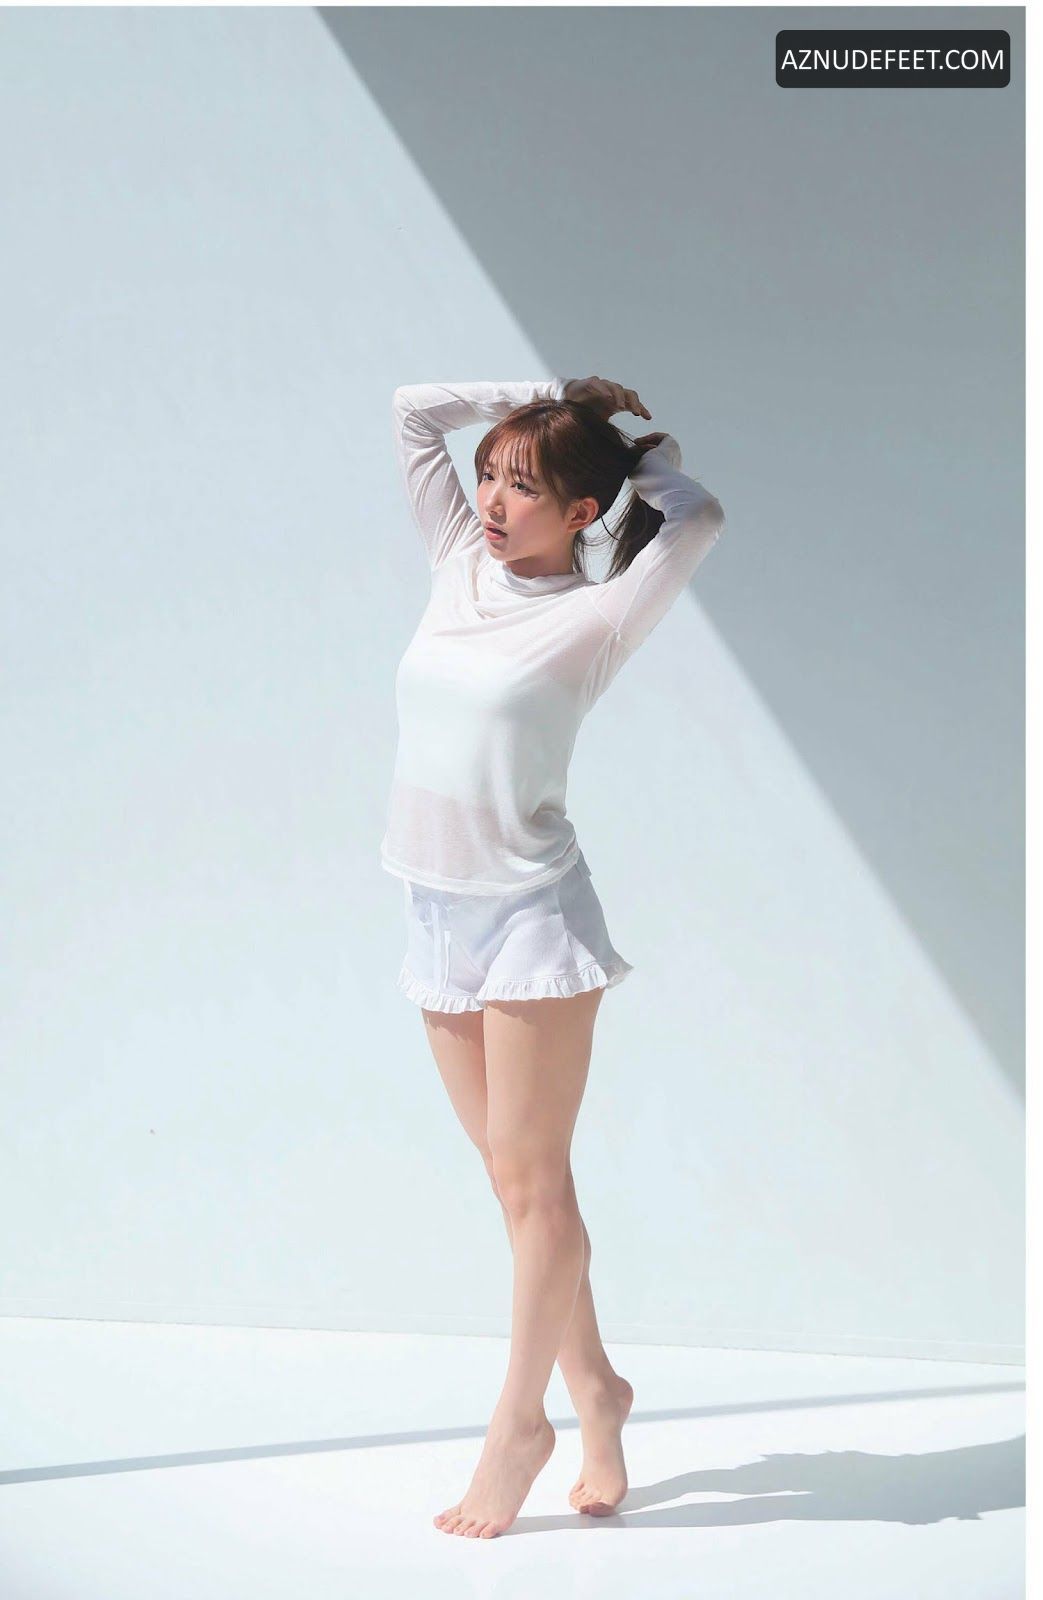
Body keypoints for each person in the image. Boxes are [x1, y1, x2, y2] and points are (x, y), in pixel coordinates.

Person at [380, 375, 726, 1537]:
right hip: (433, 908)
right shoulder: (455, 560)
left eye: (522, 487)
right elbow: (411, 413)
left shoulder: (599, 612)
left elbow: (698, 516)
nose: (489, 499)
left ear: (581, 513)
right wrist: (539, 399)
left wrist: (625, 453)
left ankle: (518, 1424)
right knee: (518, 1184)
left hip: (529, 918)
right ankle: (596, 1389)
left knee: (531, 1185)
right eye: (487, 475)